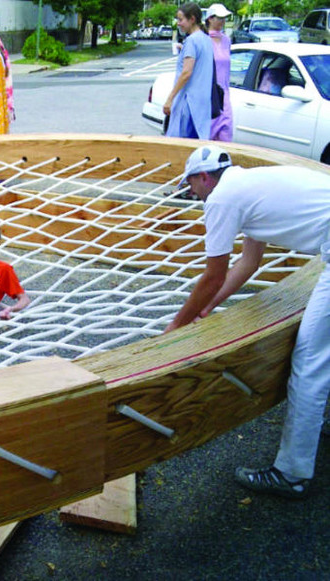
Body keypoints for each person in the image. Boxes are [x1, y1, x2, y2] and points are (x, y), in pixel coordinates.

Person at [165, 144, 330, 499]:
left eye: (191, 184)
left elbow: (213, 274)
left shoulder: (222, 199)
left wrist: (178, 324)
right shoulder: (248, 185)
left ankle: (292, 474)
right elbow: (248, 264)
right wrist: (208, 309)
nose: (192, 192)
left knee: (309, 361)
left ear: (204, 176)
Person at [164, 3, 213, 140]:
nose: (178, 24)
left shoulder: (191, 41)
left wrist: (170, 99)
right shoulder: (206, 39)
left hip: (188, 102)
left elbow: (186, 73)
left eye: (181, 20)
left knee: (180, 147)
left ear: (192, 19)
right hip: (202, 104)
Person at [206, 3, 233, 142]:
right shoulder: (203, 40)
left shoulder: (226, 40)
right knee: (207, 133)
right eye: (219, 18)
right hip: (209, 94)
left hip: (224, 94)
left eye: (224, 18)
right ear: (210, 19)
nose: (222, 21)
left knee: (226, 132)